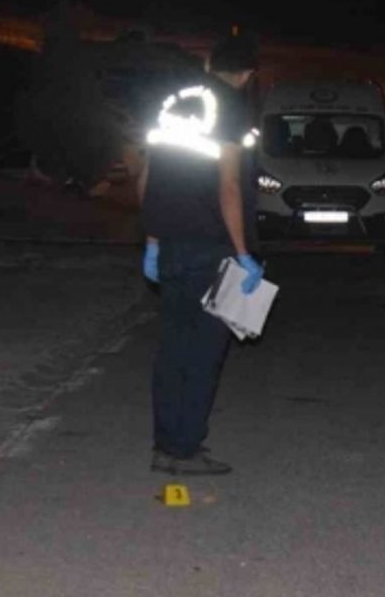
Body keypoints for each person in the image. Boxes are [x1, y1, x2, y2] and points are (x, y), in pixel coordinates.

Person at [137, 35, 264, 476]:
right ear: (246, 74)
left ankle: (165, 443)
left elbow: (147, 173)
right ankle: (185, 450)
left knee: (173, 349)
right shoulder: (231, 107)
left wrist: (152, 240)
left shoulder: (171, 103)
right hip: (212, 247)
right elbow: (228, 185)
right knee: (204, 354)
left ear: (209, 64)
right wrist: (243, 253)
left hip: (170, 243)